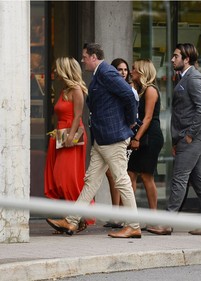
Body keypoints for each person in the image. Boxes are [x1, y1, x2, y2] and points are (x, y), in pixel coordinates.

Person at [46, 43, 141, 239]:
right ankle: (72, 221)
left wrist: (131, 122)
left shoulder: (106, 72)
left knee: (121, 180)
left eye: (84, 56)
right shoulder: (100, 74)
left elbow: (129, 96)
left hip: (113, 138)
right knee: (91, 181)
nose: (82, 60)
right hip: (103, 139)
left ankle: (133, 225)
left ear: (93, 57)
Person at [147, 43, 201, 235]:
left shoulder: (194, 78)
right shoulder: (184, 78)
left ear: (186, 59)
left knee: (179, 178)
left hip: (193, 137)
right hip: (188, 137)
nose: (172, 59)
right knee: (199, 178)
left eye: (176, 56)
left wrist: (188, 135)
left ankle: (167, 223)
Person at [44, 57, 94, 232]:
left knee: (67, 178)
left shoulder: (77, 90)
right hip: (61, 134)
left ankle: (76, 217)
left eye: (58, 69)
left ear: (65, 70)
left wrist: (70, 137)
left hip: (72, 135)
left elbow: (78, 116)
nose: (55, 72)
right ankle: (73, 219)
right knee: (59, 178)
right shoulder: (64, 90)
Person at [128, 59, 164, 212]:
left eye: (134, 69)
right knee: (130, 173)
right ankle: (130, 214)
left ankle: (153, 215)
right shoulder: (139, 90)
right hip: (142, 133)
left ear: (142, 72)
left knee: (146, 175)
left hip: (151, 136)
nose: (131, 72)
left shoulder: (150, 90)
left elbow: (148, 117)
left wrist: (137, 138)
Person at [103, 58, 132, 229]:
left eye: (125, 70)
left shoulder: (128, 89)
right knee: (111, 175)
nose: (123, 72)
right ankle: (117, 214)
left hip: (122, 135)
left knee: (120, 176)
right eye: (119, 69)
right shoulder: (113, 87)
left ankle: (123, 217)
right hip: (110, 135)